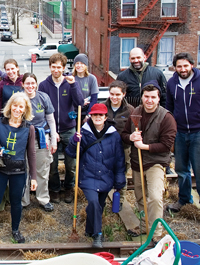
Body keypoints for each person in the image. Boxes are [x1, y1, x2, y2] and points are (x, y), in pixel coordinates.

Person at [165, 52, 200, 222]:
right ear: (175, 67)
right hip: (180, 132)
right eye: (179, 66)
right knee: (181, 170)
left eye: (185, 66)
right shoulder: (172, 83)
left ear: (192, 65)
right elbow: (169, 107)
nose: (183, 69)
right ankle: (184, 199)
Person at [0, 92, 37, 244]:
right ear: (10, 106)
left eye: (21, 107)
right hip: (1, 169)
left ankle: (15, 231)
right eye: (15, 106)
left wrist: (34, 178)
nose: (17, 109)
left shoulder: (29, 128)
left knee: (16, 202)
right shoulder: (0, 123)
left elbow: (31, 153)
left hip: (19, 171)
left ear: (25, 109)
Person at [121, 81, 176, 241]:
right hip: (137, 163)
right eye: (146, 97)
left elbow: (166, 145)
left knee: (155, 197)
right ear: (142, 97)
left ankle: (156, 233)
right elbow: (124, 134)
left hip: (155, 163)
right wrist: (130, 137)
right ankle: (145, 226)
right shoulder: (136, 113)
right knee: (140, 197)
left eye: (153, 97)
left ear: (158, 99)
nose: (149, 100)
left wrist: (144, 146)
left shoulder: (166, 117)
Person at [66, 103, 125, 248]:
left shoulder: (114, 135)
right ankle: (98, 235)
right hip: (88, 176)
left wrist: (119, 180)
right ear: (90, 116)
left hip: (106, 177)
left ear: (105, 117)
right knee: (93, 202)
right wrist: (74, 142)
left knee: (99, 205)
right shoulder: (83, 133)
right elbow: (71, 153)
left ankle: (89, 229)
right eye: (94, 115)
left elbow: (119, 159)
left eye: (100, 115)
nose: (97, 117)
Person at [38, 52, 83, 204]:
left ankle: (69, 188)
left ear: (64, 68)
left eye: (59, 67)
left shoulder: (69, 84)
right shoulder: (44, 85)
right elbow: (41, 109)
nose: (56, 70)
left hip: (69, 128)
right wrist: (51, 131)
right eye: (53, 67)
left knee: (71, 164)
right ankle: (55, 189)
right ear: (50, 67)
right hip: (51, 130)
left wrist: (73, 85)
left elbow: (80, 103)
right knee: (52, 164)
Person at [21, 72, 58, 211]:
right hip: (23, 139)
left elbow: (51, 120)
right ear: (22, 84)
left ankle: (43, 199)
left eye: (32, 83)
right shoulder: (18, 99)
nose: (30, 86)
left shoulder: (43, 97)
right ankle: (23, 200)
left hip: (40, 138)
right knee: (24, 169)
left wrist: (53, 140)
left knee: (42, 170)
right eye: (27, 83)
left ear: (36, 84)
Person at [104, 80, 134, 204]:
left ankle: (119, 199)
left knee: (121, 174)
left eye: (117, 95)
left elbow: (133, 130)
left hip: (123, 147)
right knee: (104, 173)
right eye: (112, 94)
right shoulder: (103, 107)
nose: (114, 97)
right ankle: (103, 198)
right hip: (105, 147)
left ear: (123, 94)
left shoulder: (130, 110)